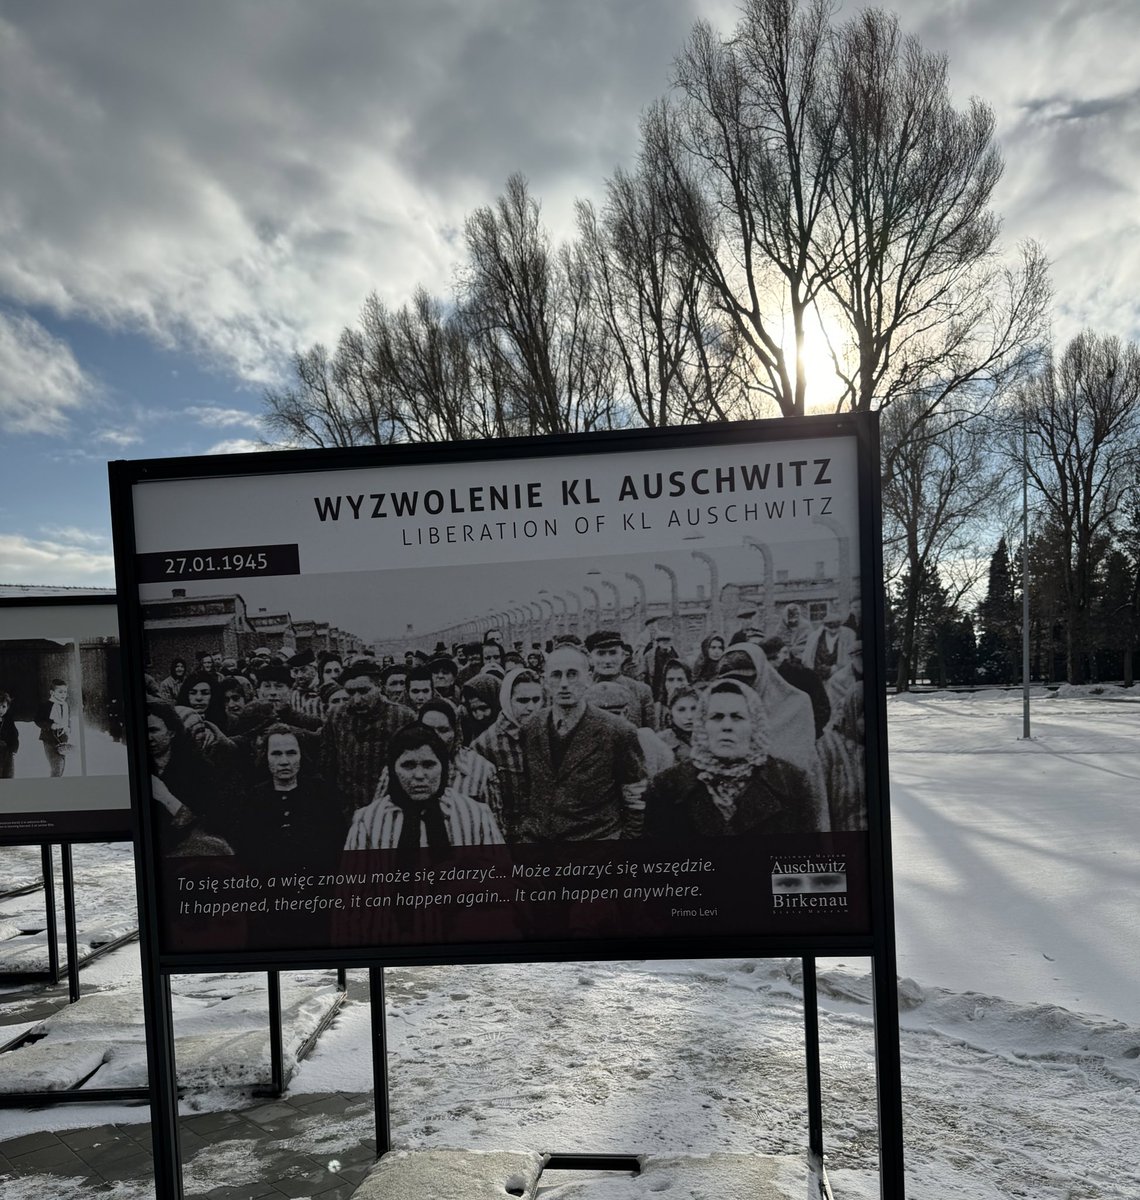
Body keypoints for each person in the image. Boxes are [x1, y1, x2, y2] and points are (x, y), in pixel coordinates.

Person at [644, 679, 830, 838]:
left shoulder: (791, 782)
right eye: (716, 717)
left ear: (755, 726)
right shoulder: (666, 786)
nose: (727, 726)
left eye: (737, 717)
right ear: (702, 726)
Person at [517, 644, 647, 841]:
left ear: (588, 678)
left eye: (572, 674)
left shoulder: (618, 731)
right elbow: (528, 789)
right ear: (544, 681)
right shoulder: (531, 728)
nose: (564, 684)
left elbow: (636, 799)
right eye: (556, 675)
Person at [344, 725, 504, 851]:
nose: (419, 775)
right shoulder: (369, 820)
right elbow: (352, 890)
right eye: (408, 765)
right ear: (393, 770)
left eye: (429, 765)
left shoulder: (475, 815)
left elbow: (501, 881)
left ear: (444, 767)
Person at [231, 724, 348, 862]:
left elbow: (337, 844)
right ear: (265, 756)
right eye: (276, 754)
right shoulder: (252, 799)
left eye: (291, 753)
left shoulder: (322, 795)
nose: (284, 762)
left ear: (301, 755)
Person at [320, 662, 415, 818]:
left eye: (364, 691)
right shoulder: (336, 716)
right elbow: (327, 764)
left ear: (379, 687)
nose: (357, 699)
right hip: (346, 810)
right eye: (350, 692)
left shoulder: (403, 717)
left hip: (390, 809)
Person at [146, 700, 233, 855]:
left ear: (172, 732)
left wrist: (166, 798)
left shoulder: (199, 769)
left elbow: (207, 825)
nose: (148, 737)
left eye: (154, 730)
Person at [472, 667, 545, 842]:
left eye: (536, 700)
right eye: (522, 700)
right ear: (507, 701)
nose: (531, 707)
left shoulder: (549, 734)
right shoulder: (485, 745)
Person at [585, 630, 656, 729]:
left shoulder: (641, 691)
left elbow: (651, 735)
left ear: (623, 656)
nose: (608, 660)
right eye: (601, 654)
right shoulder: (582, 691)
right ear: (590, 658)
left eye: (613, 653)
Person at [35, 678, 72, 777]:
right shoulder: (46, 706)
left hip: (62, 739)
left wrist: (68, 730)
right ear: (52, 692)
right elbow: (38, 720)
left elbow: (68, 721)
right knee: (57, 766)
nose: (63, 694)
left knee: (62, 766)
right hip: (49, 739)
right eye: (60, 692)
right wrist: (50, 725)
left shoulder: (65, 706)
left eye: (65, 692)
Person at [658, 685, 698, 763]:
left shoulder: (711, 739)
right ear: (671, 712)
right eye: (681, 710)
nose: (689, 716)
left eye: (694, 709)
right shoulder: (660, 742)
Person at [0, 690, 18, 778]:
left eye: (3, 707)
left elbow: (14, 735)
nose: (0, 710)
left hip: (6, 752)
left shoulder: (8, 720)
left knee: (8, 774)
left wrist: (13, 749)